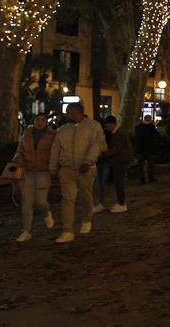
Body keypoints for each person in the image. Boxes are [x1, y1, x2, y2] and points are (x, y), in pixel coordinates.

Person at [48, 103, 107, 244]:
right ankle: (67, 230)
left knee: (86, 196)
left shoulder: (93, 126)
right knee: (67, 200)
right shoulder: (62, 130)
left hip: (86, 169)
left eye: (68, 112)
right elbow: (55, 149)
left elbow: (97, 145)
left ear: (77, 112)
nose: (66, 114)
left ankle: (87, 219)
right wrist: (52, 168)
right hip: (67, 169)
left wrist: (88, 161)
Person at [12, 113, 57, 242]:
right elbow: (18, 151)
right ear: (34, 120)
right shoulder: (26, 135)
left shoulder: (52, 136)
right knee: (27, 202)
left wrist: (54, 167)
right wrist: (18, 158)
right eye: (38, 119)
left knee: (40, 202)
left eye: (43, 120)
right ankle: (26, 230)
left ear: (46, 122)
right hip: (27, 171)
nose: (40, 122)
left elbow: (56, 151)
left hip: (43, 172)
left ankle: (46, 212)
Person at [94, 116, 133, 214]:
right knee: (117, 182)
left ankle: (122, 204)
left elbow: (116, 148)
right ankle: (120, 203)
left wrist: (102, 154)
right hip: (119, 161)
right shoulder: (117, 132)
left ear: (113, 124)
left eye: (108, 126)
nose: (106, 128)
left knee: (118, 183)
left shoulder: (118, 133)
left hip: (120, 161)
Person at [134, 115, 160, 184]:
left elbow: (136, 139)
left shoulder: (138, 127)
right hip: (149, 149)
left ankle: (142, 179)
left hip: (140, 149)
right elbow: (157, 136)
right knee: (150, 165)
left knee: (141, 166)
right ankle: (150, 178)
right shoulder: (152, 127)